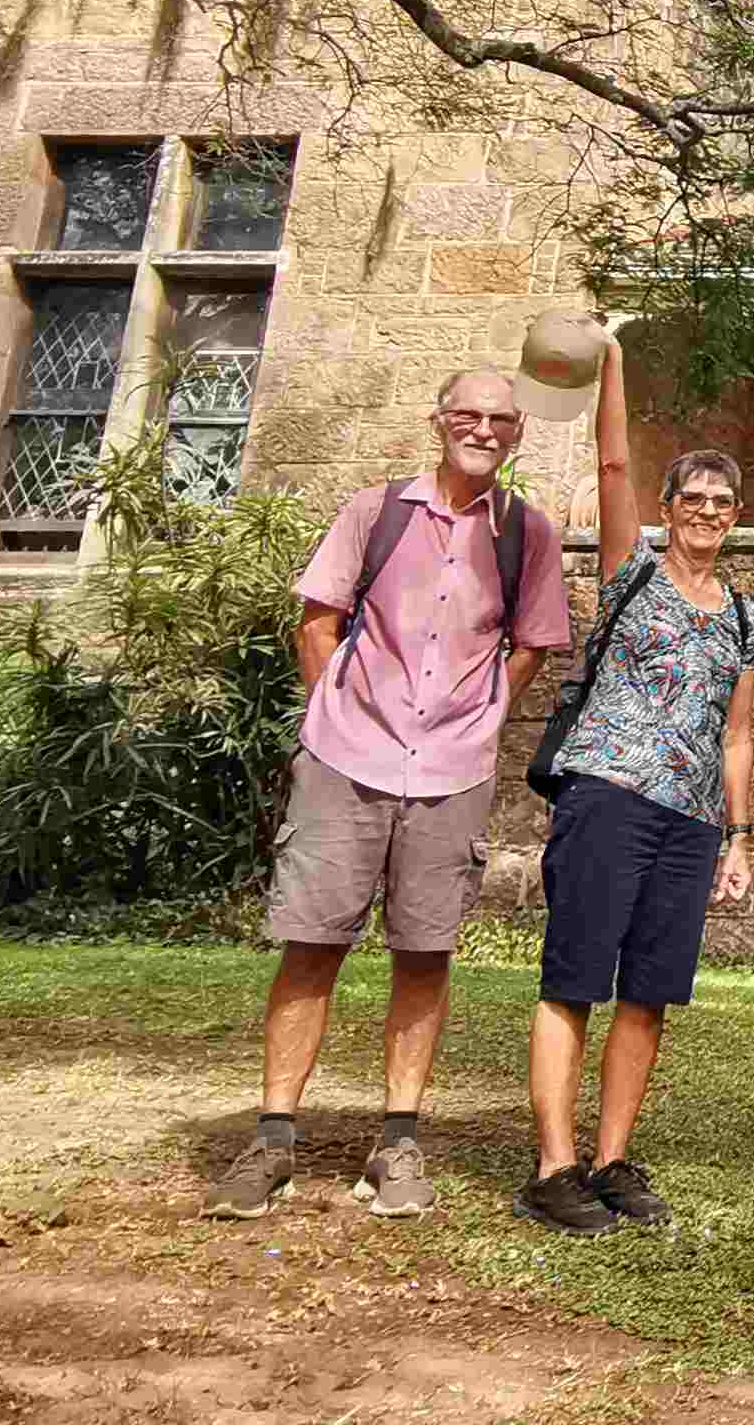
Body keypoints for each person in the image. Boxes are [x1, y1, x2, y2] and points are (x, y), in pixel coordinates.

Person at [206, 368, 572, 1224]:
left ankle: (398, 1141)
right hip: (346, 757)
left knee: (424, 951)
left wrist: (482, 720)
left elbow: (531, 644)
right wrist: (328, 712)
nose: (482, 429)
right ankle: (272, 1139)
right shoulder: (374, 512)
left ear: (517, 433)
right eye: (467, 415)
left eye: (499, 420)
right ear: (438, 420)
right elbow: (317, 618)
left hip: (450, 770)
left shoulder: (528, 533)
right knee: (310, 945)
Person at [512, 347, 754, 1235]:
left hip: (690, 820)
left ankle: (614, 1158)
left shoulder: (742, 613)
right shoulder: (635, 573)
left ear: (736, 518)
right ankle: (555, 1166)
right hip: (607, 793)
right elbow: (612, 460)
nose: (704, 512)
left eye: (720, 502)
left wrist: (738, 835)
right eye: (690, 499)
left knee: (649, 992)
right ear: (667, 510)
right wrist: (617, 357)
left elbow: (736, 733)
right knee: (575, 976)